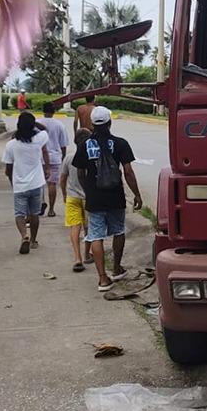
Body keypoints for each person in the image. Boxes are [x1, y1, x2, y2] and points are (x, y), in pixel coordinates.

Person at [72, 107, 143, 292]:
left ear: (93, 124)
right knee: (118, 231)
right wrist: (137, 194)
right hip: (115, 195)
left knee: (96, 236)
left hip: (94, 197)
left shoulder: (84, 145)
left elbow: (81, 173)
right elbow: (128, 172)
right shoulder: (120, 144)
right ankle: (117, 268)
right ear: (110, 122)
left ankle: (103, 278)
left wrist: (88, 190)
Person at [2, 112, 49, 254]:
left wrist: (12, 182)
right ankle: (34, 240)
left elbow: (8, 169)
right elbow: (45, 130)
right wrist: (34, 123)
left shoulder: (11, 145)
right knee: (35, 214)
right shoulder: (38, 140)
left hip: (20, 185)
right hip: (36, 184)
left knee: (19, 214)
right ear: (32, 126)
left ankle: (24, 236)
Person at [61, 129, 91, 272]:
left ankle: (77, 258)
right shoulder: (91, 157)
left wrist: (64, 194)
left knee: (75, 227)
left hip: (72, 197)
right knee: (88, 228)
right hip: (88, 197)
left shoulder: (68, 157)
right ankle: (87, 254)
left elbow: (62, 179)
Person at [40, 102, 69, 217]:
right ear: (54, 111)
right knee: (52, 184)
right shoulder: (59, 125)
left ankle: (41, 203)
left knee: (39, 183)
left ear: (43, 111)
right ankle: (51, 210)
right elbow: (63, 144)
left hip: (40, 157)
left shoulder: (37, 123)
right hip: (54, 157)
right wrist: (63, 156)